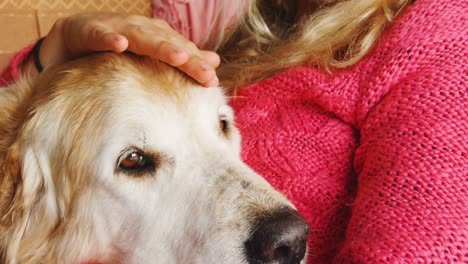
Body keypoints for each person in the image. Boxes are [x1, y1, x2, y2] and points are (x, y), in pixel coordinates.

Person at [1, 0, 466, 262]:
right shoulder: (215, 21)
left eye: (224, 123)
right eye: (136, 162)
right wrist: (49, 53)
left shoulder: (439, 33)